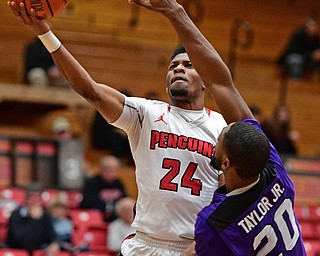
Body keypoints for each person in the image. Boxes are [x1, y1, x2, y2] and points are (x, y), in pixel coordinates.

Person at [7, 1, 227, 255]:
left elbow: (229, 194)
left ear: (206, 82)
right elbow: (91, 90)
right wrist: (44, 32)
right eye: (173, 66)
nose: (178, 68)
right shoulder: (147, 113)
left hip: (194, 246)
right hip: (145, 244)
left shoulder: (221, 126)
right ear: (166, 85)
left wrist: (206, 239)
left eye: (189, 65)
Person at [6, 182, 60, 255]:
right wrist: (33, 220)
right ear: (26, 198)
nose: (35, 200)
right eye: (32, 197)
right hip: (19, 252)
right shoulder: (16, 216)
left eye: (38, 197)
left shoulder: (45, 215)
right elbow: (23, 241)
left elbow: (53, 235)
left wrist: (55, 243)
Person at [80, 155, 127, 222]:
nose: (111, 173)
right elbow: (86, 204)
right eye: (108, 170)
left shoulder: (119, 183)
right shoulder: (92, 183)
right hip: (96, 218)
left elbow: (124, 200)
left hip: (116, 219)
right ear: (101, 169)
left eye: (114, 170)